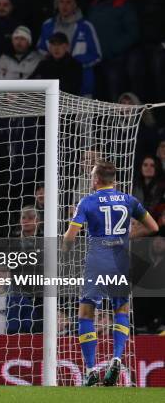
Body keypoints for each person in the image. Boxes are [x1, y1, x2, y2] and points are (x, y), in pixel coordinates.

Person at [63, 161, 158, 386]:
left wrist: (67, 251)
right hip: (121, 262)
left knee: (86, 314)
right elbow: (153, 227)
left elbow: (69, 237)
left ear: (96, 179)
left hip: (97, 262)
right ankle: (116, 357)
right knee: (121, 311)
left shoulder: (87, 202)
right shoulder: (129, 200)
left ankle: (91, 369)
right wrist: (127, 235)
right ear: (113, 179)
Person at [37, 0, 101, 97]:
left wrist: (74, 63)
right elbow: (41, 49)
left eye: (68, 2)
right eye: (61, 2)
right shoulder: (48, 25)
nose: (64, 6)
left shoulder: (86, 26)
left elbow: (96, 55)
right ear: (57, 4)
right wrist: (55, 59)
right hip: (52, 89)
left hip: (82, 89)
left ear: (75, 4)